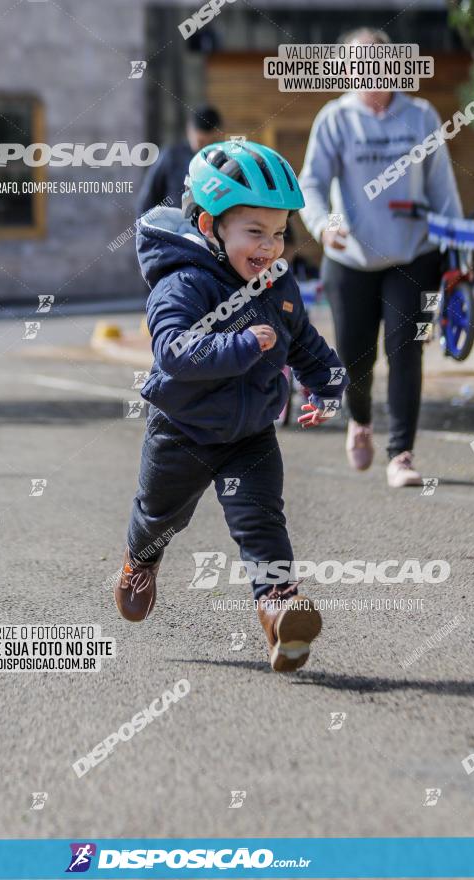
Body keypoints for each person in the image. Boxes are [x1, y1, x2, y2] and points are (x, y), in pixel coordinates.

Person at [113, 140, 349, 673]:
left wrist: (330, 384)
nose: (269, 247)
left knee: (263, 522)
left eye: (279, 232)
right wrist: (243, 346)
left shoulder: (277, 285)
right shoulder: (182, 284)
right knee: (159, 518)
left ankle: (280, 613)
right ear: (209, 227)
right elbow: (174, 353)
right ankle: (140, 559)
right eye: (254, 232)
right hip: (183, 431)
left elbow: (306, 343)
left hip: (250, 436)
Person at [299, 27, 463, 488]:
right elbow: (310, 182)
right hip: (349, 259)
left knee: (406, 351)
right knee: (354, 358)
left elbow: (441, 186)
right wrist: (322, 223)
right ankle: (361, 419)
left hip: (415, 254)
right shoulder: (335, 119)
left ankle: (402, 455)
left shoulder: (421, 115)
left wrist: (458, 251)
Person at [136, 105, 223, 216]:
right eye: (200, 141)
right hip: (172, 227)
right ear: (189, 130)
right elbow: (147, 201)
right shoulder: (171, 156)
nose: (203, 147)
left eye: (209, 142)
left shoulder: (222, 162)